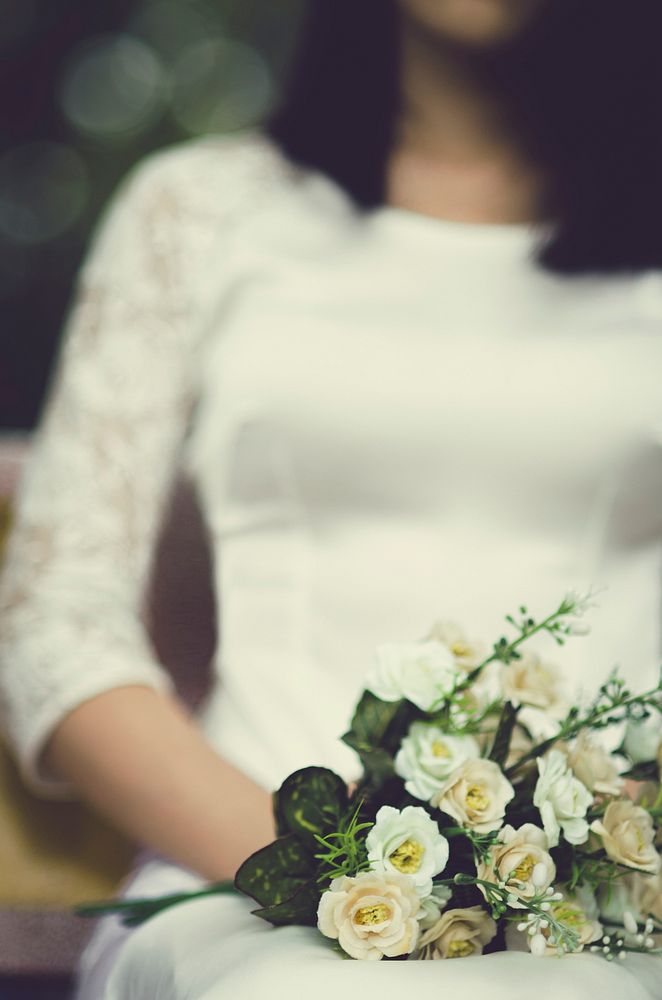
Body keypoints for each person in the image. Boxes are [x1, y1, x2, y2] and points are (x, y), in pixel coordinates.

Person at [1, 0, 661, 996]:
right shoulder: (200, 209)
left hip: (608, 914)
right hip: (239, 880)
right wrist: (320, 871)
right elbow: (54, 625)